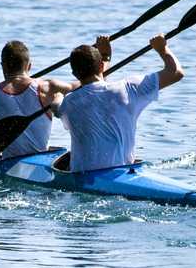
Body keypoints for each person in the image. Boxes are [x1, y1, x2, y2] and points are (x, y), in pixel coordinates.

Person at [52, 34, 183, 172]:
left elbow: (57, 109)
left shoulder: (69, 102)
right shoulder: (129, 88)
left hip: (82, 174)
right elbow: (176, 72)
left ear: (74, 74)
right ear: (101, 66)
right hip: (122, 171)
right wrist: (162, 48)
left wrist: (58, 97)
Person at [0, 40, 82, 159]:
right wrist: (104, 59)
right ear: (29, 66)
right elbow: (87, 84)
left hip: (8, 161)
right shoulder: (46, 87)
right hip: (40, 160)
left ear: (2, 65)